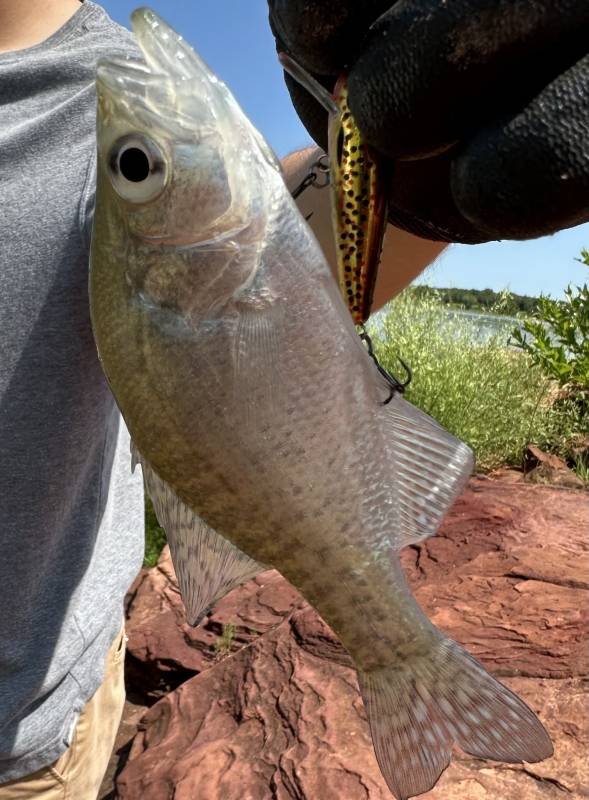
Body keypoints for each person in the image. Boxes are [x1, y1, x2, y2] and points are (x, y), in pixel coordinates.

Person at [0, 1, 586, 798]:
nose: (138, 160)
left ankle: (396, 653)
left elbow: (308, 233)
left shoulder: (103, 84)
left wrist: (418, 164)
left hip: (31, 737)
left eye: (137, 167)